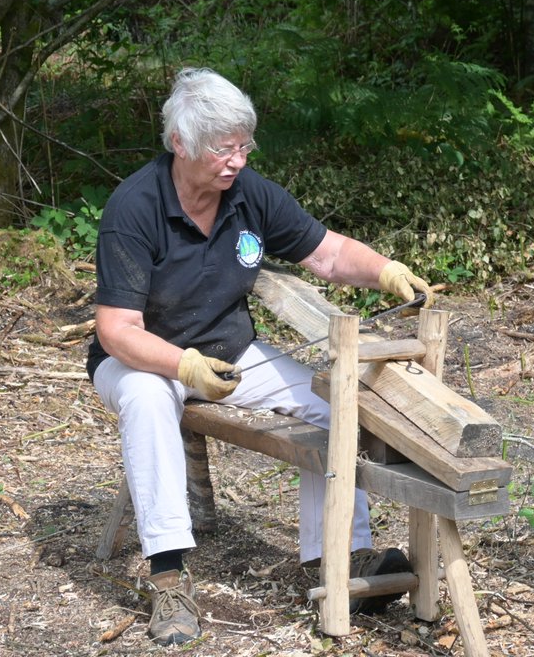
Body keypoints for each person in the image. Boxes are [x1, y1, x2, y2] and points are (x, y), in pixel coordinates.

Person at [88, 67, 435, 646]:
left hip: (229, 353)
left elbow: (326, 254)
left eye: (243, 146)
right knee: (150, 402)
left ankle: (339, 555)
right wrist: (182, 366)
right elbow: (117, 329)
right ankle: (169, 578)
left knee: (333, 404)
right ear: (180, 144)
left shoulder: (249, 194)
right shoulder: (134, 207)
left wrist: (384, 271)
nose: (236, 162)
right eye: (222, 150)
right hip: (142, 359)